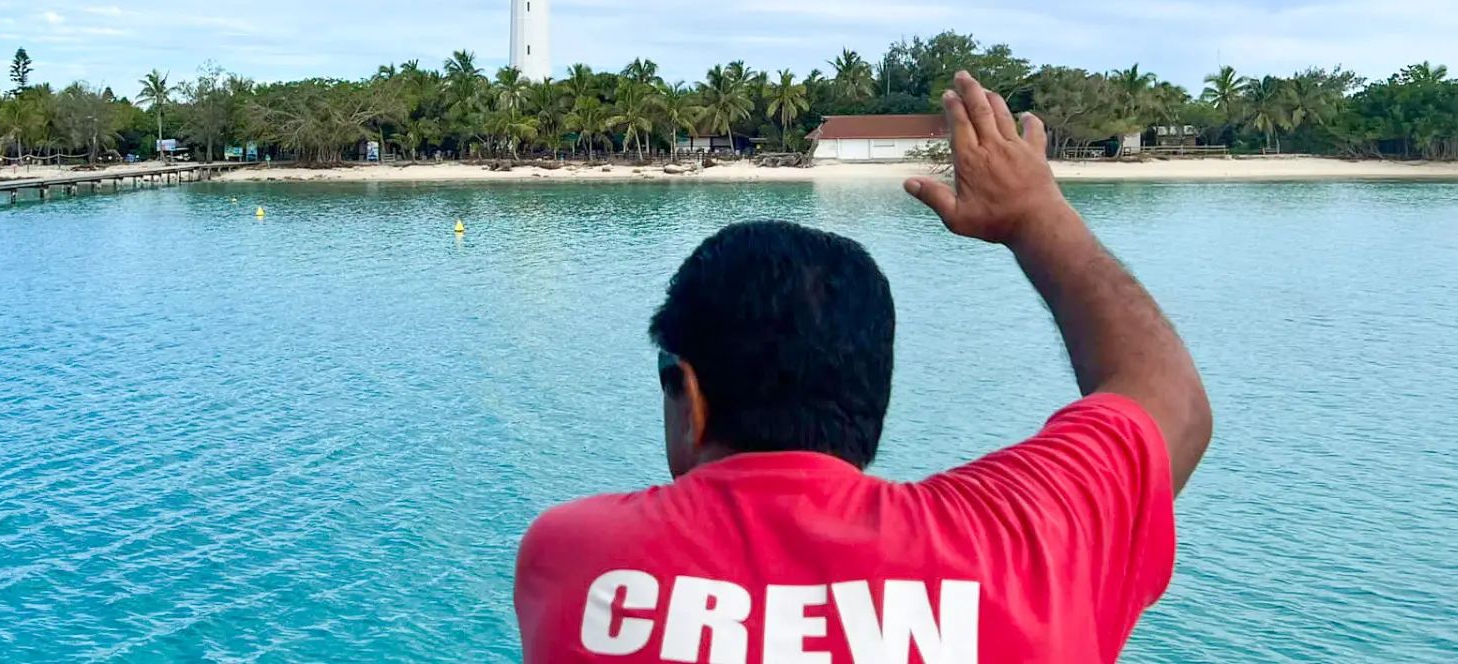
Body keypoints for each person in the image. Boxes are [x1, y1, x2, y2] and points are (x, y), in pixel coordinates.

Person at [515, 71, 1212, 664]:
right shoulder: (1017, 548)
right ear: (871, 395)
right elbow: (1168, 399)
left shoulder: (576, 559)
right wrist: (1035, 215)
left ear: (689, 397)